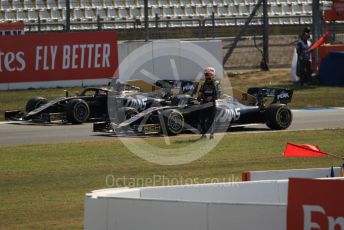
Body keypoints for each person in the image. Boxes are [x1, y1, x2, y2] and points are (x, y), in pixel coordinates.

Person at [198, 67, 218, 139]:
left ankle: (211, 134)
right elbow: (200, 93)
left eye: (209, 74)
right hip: (204, 103)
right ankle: (203, 134)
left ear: (213, 75)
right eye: (206, 74)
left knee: (211, 119)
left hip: (212, 104)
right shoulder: (203, 83)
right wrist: (199, 96)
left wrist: (212, 97)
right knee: (202, 119)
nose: (208, 76)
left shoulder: (216, 83)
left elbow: (218, 94)